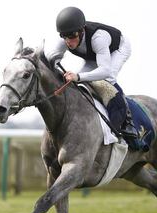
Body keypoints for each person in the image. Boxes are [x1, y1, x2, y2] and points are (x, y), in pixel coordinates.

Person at [44, 6, 137, 139]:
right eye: (64, 37)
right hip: (94, 56)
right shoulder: (66, 37)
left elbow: (104, 70)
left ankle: (127, 121)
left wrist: (78, 76)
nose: (69, 41)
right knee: (80, 84)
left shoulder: (98, 37)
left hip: (118, 49)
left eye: (72, 36)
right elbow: (51, 58)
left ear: (81, 31)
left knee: (107, 79)